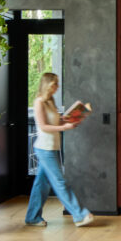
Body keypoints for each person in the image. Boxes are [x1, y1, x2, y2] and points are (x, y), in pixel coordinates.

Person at [25, 72, 97, 228]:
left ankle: (32, 217)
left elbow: (57, 120)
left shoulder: (50, 101)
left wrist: (73, 116)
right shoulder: (39, 102)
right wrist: (64, 127)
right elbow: (44, 126)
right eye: (55, 84)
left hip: (52, 147)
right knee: (59, 182)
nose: (57, 87)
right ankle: (79, 215)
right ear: (47, 85)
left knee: (41, 184)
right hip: (44, 148)